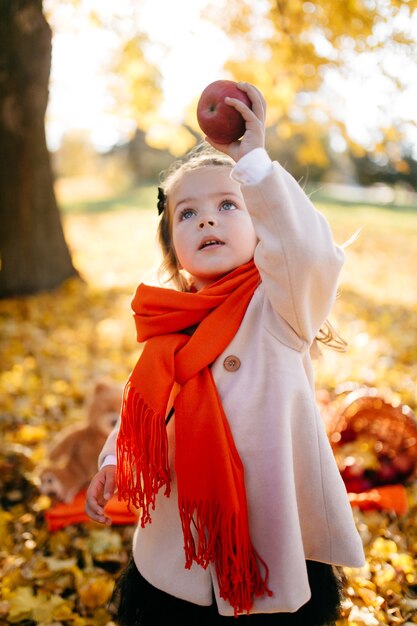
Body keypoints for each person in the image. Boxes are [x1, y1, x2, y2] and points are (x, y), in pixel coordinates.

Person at [85, 82, 365, 625]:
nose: (207, 219)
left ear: (259, 225)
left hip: (270, 536)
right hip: (184, 545)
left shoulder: (281, 306)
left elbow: (309, 253)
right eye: (187, 214)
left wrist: (254, 163)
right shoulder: (168, 328)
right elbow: (144, 413)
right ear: (175, 250)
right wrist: (115, 461)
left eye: (227, 205)